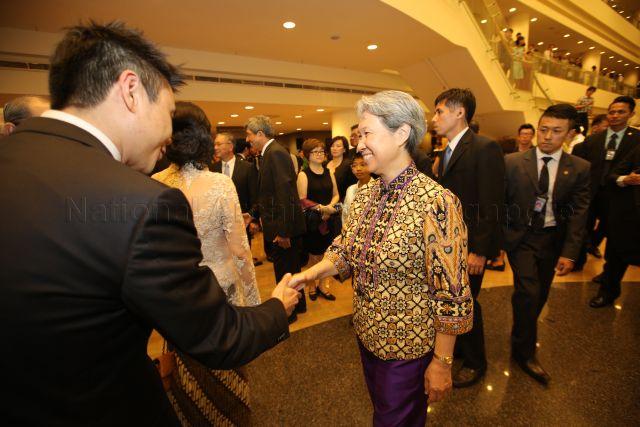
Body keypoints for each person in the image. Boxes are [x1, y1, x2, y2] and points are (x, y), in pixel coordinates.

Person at [0, 22, 298, 426]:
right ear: (131, 90)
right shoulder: (142, 203)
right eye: (170, 113)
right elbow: (219, 337)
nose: (168, 136)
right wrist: (278, 306)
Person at [289, 90, 472, 425]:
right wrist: (312, 274)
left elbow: (453, 293)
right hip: (367, 335)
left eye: (367, 134)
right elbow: (347, 248)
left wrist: (443, 362)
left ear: (401, 133)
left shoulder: (437, 203)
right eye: (359, 135)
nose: (358, 145)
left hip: (407, 350)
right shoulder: (366, 193)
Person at [153, 102, 261, 424]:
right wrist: (253, 304)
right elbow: (240, 250)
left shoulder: (156, 182)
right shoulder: (219, 185)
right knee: (225, 369)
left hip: (176, 295)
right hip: (220, 294)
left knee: (186, 369)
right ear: (204, 140)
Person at [503, 104, 590, 384]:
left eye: (556, 131)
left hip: (552, 239)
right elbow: (500, 203)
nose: (547, 136)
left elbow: (579, 213)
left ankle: (520, 332)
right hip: (522, 239)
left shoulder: (579, 168)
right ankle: (525, 352)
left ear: (570, 134)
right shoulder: (513, 162)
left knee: (539, 295)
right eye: (543, 129)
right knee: (528, 292)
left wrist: (570, 253)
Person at [432, 88, 505, 388]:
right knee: (454, 298)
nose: (434, 118)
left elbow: (492, 203)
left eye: (439, 112)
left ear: (459, 112)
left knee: (468, 301)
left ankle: (476, 362)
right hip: (449, 244)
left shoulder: (484, 147)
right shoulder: (445, 152)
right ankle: (459, 348)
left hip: (470, 246)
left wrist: (480, 250)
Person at [574, 96, 639, 291]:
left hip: (620, 197)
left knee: (616, 240)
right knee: (581, 229)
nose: (615, 116)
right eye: (612, 112)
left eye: (621, 112)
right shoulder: (593, 140)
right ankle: (577, 261)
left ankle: (609, 279)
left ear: (631, 114)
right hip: (591, 196)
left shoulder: (636, 140)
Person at [246, 115, 307, 322]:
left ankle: (290, 312)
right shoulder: (271, 153)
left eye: (249, 135)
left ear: (261, 134)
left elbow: (286, 195)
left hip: (283, 228)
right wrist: (254, 214)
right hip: (280, 225)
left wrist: (283, 231)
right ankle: (298, 307)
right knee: (290, 270)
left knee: (286, 272)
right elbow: (270, 193)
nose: (248, 140)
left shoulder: (275, 153)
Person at [590, 145, 640, 307]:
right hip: (629, 217)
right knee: (615, 258)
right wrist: (625, 179)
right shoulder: (637, 150)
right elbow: (613, 175)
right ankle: (607, 292)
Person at [297, 138, 340, 301]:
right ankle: (311, 285)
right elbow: (302, 199)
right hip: (313, 220)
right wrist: (322, 208)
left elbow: (336, 194)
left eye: (322, 151)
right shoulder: (303, 174)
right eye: (315, 151)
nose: (319, 154)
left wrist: (330, 207)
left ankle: (323, 285)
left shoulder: (329, 172)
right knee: (314, 256)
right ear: (307, 155)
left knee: (327, 255)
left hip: (330, 219)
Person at [210, 132, 258, 219]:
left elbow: (255, 197)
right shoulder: (212, 169)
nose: (215, 148)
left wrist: (253, 219)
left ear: (230, 146)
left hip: (243, 221)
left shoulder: (248, 167)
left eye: (218, 144)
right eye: (214, 145)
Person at [342, 152, 371, 224]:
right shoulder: (350, 189)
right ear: (351, 169)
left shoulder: (376, 188)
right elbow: (345, 212)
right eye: (354, 165)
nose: (358, 169)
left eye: (363, 165)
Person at [326, 135, 357, 201]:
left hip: (343, 202)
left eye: (338, 146)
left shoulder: (349, 165)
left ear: (344, 149)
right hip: (325, 202)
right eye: (332, 146)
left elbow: (353, 187)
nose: (334, 148)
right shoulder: (324, 164)